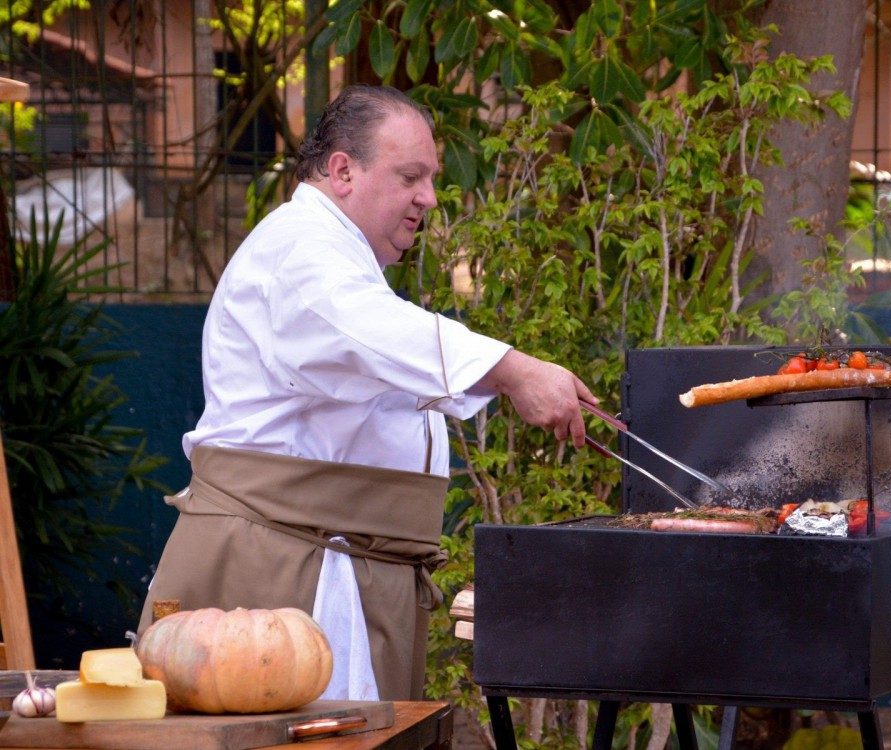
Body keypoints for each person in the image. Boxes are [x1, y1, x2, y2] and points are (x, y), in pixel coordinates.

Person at [138, 85, 596, 701]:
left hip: (329, 561)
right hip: (280, 575)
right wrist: (513, 370)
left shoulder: (332, 253)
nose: (428, 198)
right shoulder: (301, 245)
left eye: (431, 179)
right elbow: (365, 330)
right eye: (410, 176)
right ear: (342, 170)